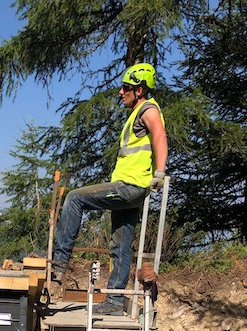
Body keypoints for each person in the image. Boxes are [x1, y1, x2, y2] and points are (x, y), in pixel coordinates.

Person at [51, 63, 167, 316]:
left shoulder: (147, 110)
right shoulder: (138, 112)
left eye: (125, 87)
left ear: (139, 90)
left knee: (74, 198)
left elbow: (159, 135)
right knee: (121, 245)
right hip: (132, 189)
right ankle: (115, 300)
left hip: (129, 186)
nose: (120, 92)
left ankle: (58, 262)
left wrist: (160, 172)